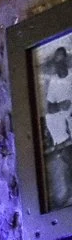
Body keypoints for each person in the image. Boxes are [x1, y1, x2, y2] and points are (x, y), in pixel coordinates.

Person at [41, 44, 72, 208]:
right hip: (62, 121)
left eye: (62, 62)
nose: (60, 66)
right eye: (57, 63)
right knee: (67, 158)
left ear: (66, 61)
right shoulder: (54, 82)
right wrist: (60, 106)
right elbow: (49, 107)